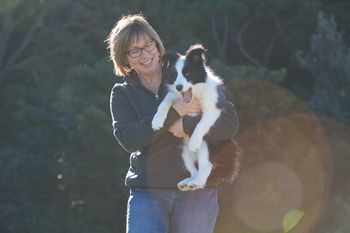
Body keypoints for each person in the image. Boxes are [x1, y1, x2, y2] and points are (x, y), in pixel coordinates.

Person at [107, 14, 239, 233]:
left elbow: (229, 123)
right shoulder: (122, 93)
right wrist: (174, 113)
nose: (145, 54)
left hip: (196, 190)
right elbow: (130, 140)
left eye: (148, 45)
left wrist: (187, 126)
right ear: (124, 58)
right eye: (134, 50)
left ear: (157, 46)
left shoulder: (187, 72)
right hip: (147, 192)